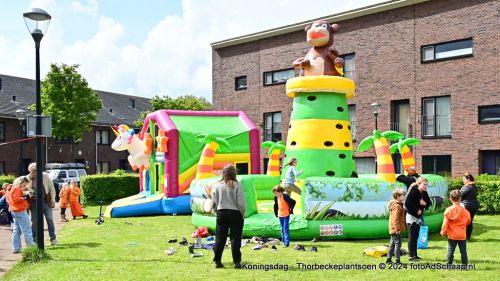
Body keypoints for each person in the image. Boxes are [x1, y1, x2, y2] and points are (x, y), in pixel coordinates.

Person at [211, 165, 246, 269]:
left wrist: (216, 212)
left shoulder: (216, 185)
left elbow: (214, 202)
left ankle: (217, 261)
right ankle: (237, 262)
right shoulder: (237, 184)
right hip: (235, 213)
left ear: (223, 173)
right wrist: (243, 214)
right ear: (234, 173)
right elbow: (241, 203)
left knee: (219, 238)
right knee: (235, 238)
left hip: (221, 213)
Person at [26, 162, 59, 246]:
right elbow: (22, 189)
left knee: (50, 219)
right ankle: (35, 240)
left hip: (46, 201)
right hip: (34, 203)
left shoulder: (45, 176)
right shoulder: (27, 178)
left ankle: (53, 239)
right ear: (29, 170)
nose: (33, 173)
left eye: (35, 171)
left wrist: (52, 201)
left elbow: (52, 188)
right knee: (34, 222)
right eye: (32, 171)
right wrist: (28, 192)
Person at [404, 177, 431, 261]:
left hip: (418, 217)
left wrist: (424, 203)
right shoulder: (413, 191)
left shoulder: (424, 192)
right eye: (424, 184)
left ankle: (415, 255)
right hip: (411, 216)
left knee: (416, 236)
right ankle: (411, 256)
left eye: (427, 185)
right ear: (419, 184)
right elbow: (407, 204)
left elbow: (429, 203)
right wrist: (416, 210)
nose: (426, 186)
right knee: (412, 236)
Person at [441, 190, 471, 265]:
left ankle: (449, 265)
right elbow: (468, 221)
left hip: (452, 235)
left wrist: (443, 232)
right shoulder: (465, 211)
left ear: (450, 199)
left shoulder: (448, 210)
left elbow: (445, 224)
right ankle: (464, 266)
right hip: (462, 234)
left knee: (451, 250)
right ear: (460, 198)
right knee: (463, 251)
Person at [6, 177, 36, 253]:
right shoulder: (17, 189)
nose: (25, 186)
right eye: (25, 184)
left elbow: (10, 199)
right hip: (20, 211)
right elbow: (16, 199)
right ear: (21, 182)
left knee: (17, 231)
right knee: (27, 230)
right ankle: (31, 248)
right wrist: (26, 196)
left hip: (14, 211)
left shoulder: (11, 188)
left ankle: (16, 248)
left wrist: (24, 194)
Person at [386, 188, 406, 264]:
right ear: (397, 196)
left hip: (394, 228)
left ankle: (388, 259)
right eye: (403, 195)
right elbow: (395, 219)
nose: (404, 197)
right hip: (395, 229)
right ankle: (397, 260)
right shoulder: (397, 206)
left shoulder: (397, 205)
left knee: (392, 244)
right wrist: (397, 229)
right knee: (398, 244)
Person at [460, 173, 479, 241]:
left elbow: (459, 196)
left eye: (464, 179)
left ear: (468, 179)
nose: (463, 180)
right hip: (474, 205)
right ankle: (468, 237)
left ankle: (463, 237)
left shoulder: (466, 187)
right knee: (469, 221)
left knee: (464, 221)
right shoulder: (474, 186)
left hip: (467, 206)